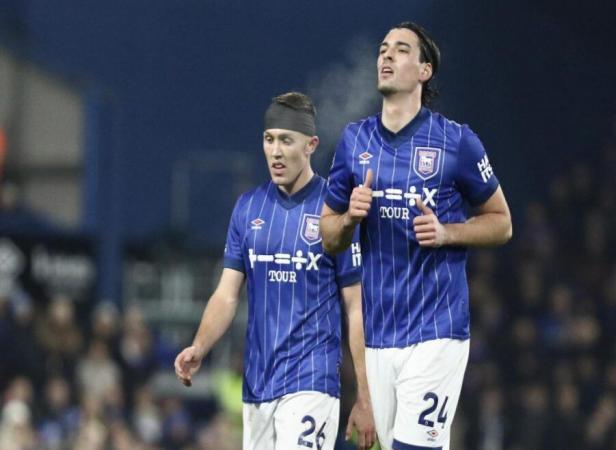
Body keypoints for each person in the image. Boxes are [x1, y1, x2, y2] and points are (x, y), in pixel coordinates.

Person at [320, 22, 512, 450]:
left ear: (424, 70)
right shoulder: (355, 141)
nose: (386, 56)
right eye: (383, 49)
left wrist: (447, 232)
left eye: (401, 50)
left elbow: (502, 222)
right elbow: (327, 235)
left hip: (436, 329)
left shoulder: (456, 142)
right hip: (378, 337)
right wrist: (350, 218)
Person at [174, 92, 376, 450]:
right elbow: (226, 294)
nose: (276, 151)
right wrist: (200, 346)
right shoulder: (248, 208)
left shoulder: (336, 214)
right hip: (258, 387)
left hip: (311, 382)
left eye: (287, 140)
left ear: (311, 144)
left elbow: (355, 308)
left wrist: (365, 394)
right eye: (269, 139)